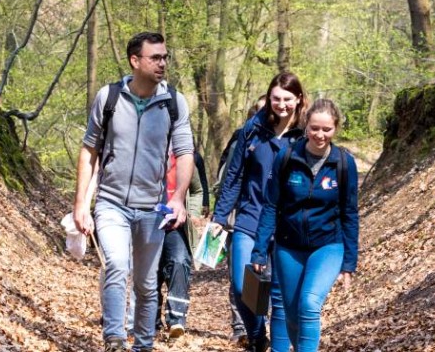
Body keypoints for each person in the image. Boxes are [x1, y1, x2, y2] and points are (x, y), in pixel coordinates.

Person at [73, 32, 195, 352]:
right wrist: (81, 205)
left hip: (152, 207)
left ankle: (143, 344)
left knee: (145, 284)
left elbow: (184, 153)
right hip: (112, 202)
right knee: (116, 263)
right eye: (155, 57)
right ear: (135, 60)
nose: (162, 63)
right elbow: (89, 151)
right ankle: (114, 338)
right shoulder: (108, 98)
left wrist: (178, 198)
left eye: (165, 57)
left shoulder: (173, 103)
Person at [251, 99, 359, 352]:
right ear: (306, 125)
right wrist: (259, 248)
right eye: (314, 128)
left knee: (309, 304)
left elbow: (350, 214)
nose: (320, 135)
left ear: (336, 129)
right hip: (288, 246)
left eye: (326, 129)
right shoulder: (287, 157)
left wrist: (349, 263)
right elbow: (270, 206)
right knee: (290, 312)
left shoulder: (344, 163)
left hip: (328, 246)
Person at [211, 73, 308, 351]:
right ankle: (256, 335)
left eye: (288, 99)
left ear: (299, 99)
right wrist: (220, 217)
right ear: (269, 98)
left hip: (287, 225)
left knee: (280, 295)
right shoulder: (252, 130)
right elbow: (234, 177)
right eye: (276, 98)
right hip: (249, 219)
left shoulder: (305, 135)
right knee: (243, 286)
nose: (282, 104)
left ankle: (278, 344)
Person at [155, 150, 209, 340]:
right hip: (146, 224)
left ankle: (176, 319)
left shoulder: (184, 157)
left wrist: (192, 214)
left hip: (176, 225)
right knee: (151, 270)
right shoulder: (143, 150)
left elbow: (197, 190)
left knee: (179, 261)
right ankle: (151, 319)